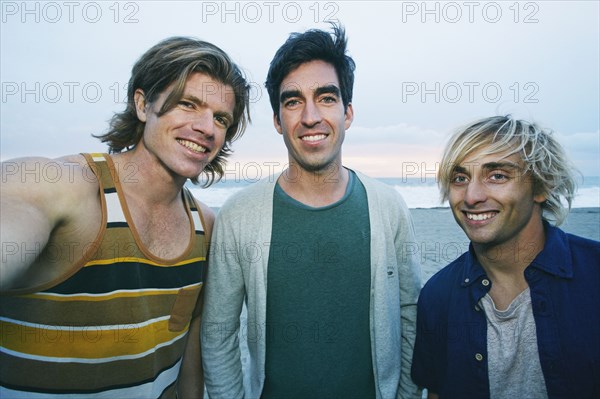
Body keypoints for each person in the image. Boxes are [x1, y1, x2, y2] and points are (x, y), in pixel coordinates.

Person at [0, 36, 250, 398]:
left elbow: (188, 366)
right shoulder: (65, 188)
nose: (207, 128)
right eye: (188, 104)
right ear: (143, 104)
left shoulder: (206, 227)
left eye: (220, 118)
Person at [201, 24, 422, 399]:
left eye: (326, 98)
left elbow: (411, 315)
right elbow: (218, 333)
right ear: (277, 121)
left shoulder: (389, 206)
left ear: (347, 113)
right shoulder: (239, 215)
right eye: (292, 101)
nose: (310, 117)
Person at [411, 115, 600, 398]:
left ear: (542, 186)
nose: (471, 196)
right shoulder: (437, 296)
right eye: (460, 178)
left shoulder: (594, 275)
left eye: (497, 176)